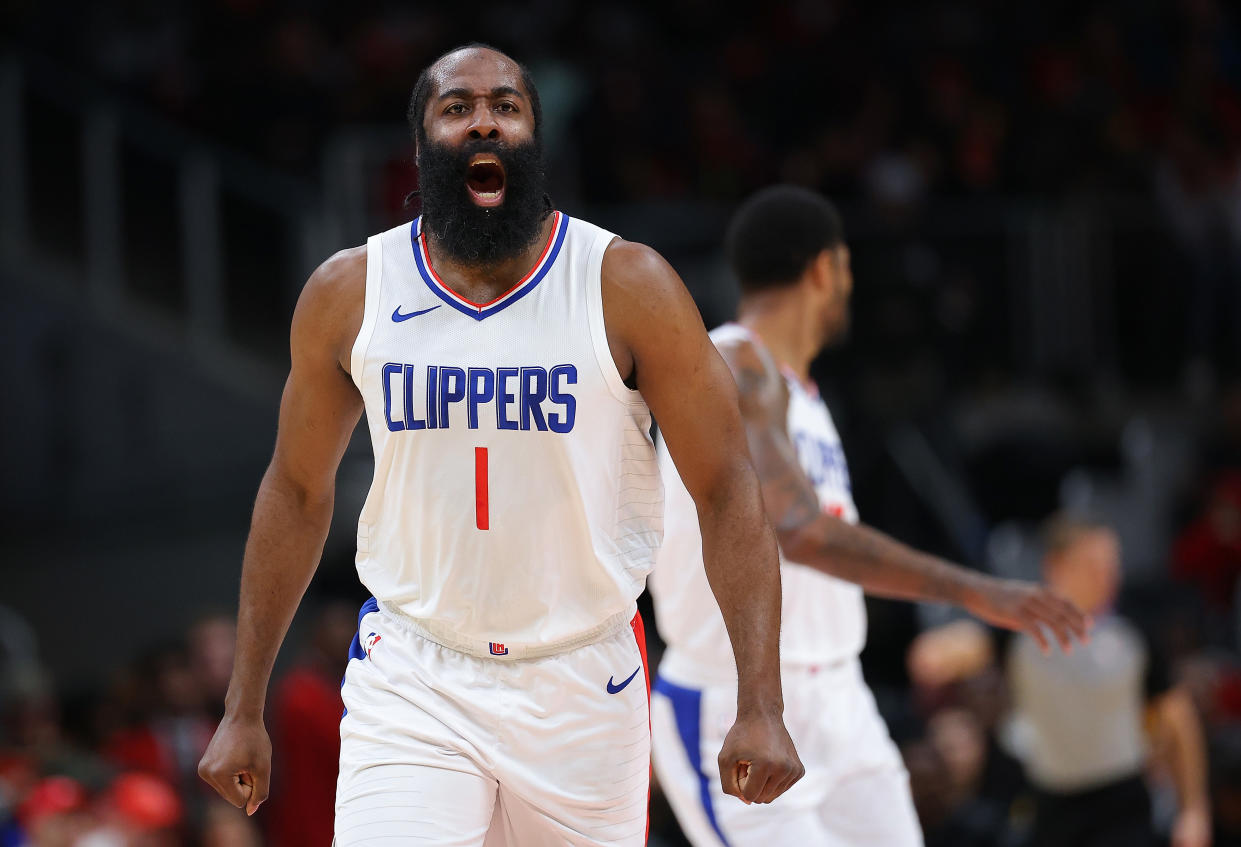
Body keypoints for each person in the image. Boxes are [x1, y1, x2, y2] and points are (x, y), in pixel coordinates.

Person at [197, 44, 803, 846]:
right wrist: (243, 706)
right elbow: (296, 493)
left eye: (506, 106)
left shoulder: (626, 284)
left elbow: (727, 485)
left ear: (533, 140)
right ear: (420, 147)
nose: (483, 119)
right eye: (456, 107)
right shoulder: (351, 291)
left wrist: (759, 700)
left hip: (583, 677)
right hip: (415, 670)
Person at [650, 185, 1090, 847]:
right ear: (824, 268)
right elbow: (799, 530)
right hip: (738, 701)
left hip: (840, 698)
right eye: (847, 269)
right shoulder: (736, 365)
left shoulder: (805, 399)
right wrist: (975, 588)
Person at [1006, 514, 1211, 847]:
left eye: (1111, 562)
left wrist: (1193, 810)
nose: (1108, 574)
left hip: (1121, 800)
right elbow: (969, 647)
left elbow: (1178, 717)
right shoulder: (1019, 628)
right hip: (1050, 801)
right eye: (1092, 564)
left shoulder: (1135, 628)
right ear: (1054, 566)